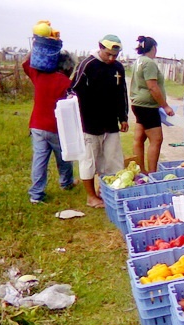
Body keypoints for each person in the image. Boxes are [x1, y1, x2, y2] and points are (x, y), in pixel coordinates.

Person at [70, 34, 129, 208]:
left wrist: (123, 117)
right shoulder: (88, 65)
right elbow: (73, 91)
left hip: (110, 122)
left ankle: (108, 191)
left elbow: (121, 94)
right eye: (108, 54)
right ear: (100, 48)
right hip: (89, 122)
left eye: (115, 56)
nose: (111, 58)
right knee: (89, 159)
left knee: (112, 158)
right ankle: (91, 196)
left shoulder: (118, 68)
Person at [22, 50, 78, 204]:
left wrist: (38, 48)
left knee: (39, 160)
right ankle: (66, 183)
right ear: (68, 68)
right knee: (64, 157)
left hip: (37, 126)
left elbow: (25, 62)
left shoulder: (40, 76)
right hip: (56, 127)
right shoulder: (67, 83)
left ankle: (36, 194)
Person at [130, 36, 174, 174]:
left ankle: (141, 171)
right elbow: (153, 87)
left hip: (138, 104)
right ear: (153, 48)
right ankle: (153, 173)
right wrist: (165, 106)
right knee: (156, 139)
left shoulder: (138, 61)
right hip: (148, 106)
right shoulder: (149, 63)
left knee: (139, 138)